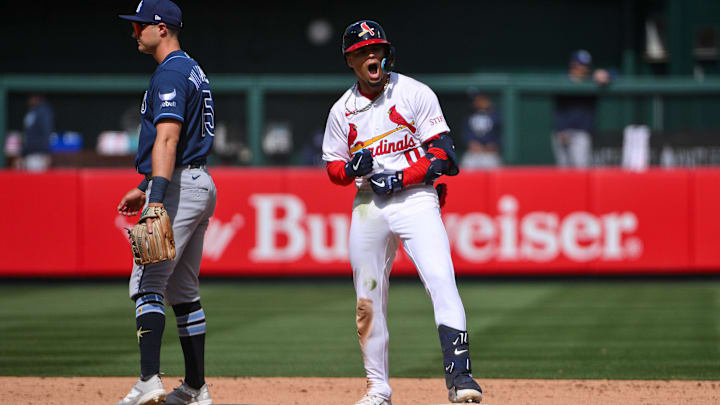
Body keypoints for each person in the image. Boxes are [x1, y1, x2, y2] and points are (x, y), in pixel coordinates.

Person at [322, 20, 483, 405]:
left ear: (386, 53)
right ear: (350, 61)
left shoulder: (413, 92)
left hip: (416, 199)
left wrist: (400, 179)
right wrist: (351, 170)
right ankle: (378, 389)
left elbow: (444, 155)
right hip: (368, 208)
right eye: (362, 51)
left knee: (441, 279)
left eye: (376, 48)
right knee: (368, 298)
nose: (371, 55)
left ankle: (461, 378)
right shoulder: (341, 111)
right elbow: (333, 169)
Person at [115, 1, 217, 404]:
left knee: (146, 284)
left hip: (179, 186)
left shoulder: (171, 72)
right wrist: (146, 183)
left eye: (140, 26)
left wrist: (155, 199)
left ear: (162, 28)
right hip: (198, 180)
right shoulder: (192, 68)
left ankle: (148, 381)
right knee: (183, 290)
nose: (135, 32)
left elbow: (169, 138)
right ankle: (195, 389)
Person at [552, 49, 611, 167]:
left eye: (585, 66)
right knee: (563, 171)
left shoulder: (592, 81)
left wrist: (605, 74)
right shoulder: (563, 80)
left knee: (581, 168)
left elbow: (614, 75)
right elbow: (558, 109)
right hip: (563, 131)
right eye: (580, 65)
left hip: (581, 132)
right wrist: (561, 128)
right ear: (573, 64)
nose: (583, 68)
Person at [460, 94, 502, 169]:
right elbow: (466, 134)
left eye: (482, 100)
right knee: (467, 167)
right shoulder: (469, 116)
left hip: (490, 153)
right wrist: (471, 143)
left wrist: (494, 144)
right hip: (473, 153)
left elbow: (500, 134)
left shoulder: (495, 116)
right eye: (477, 101)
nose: (479, 103)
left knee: (495, 170)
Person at [21, 94, 54, 171]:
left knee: (37, 180)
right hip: (29, 153)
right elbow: (27, 134)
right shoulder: (31, 111)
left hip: (39, 154)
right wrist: (23, 153)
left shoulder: (44, 111)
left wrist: (46, 152)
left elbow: (47, 132)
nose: (30, 100)